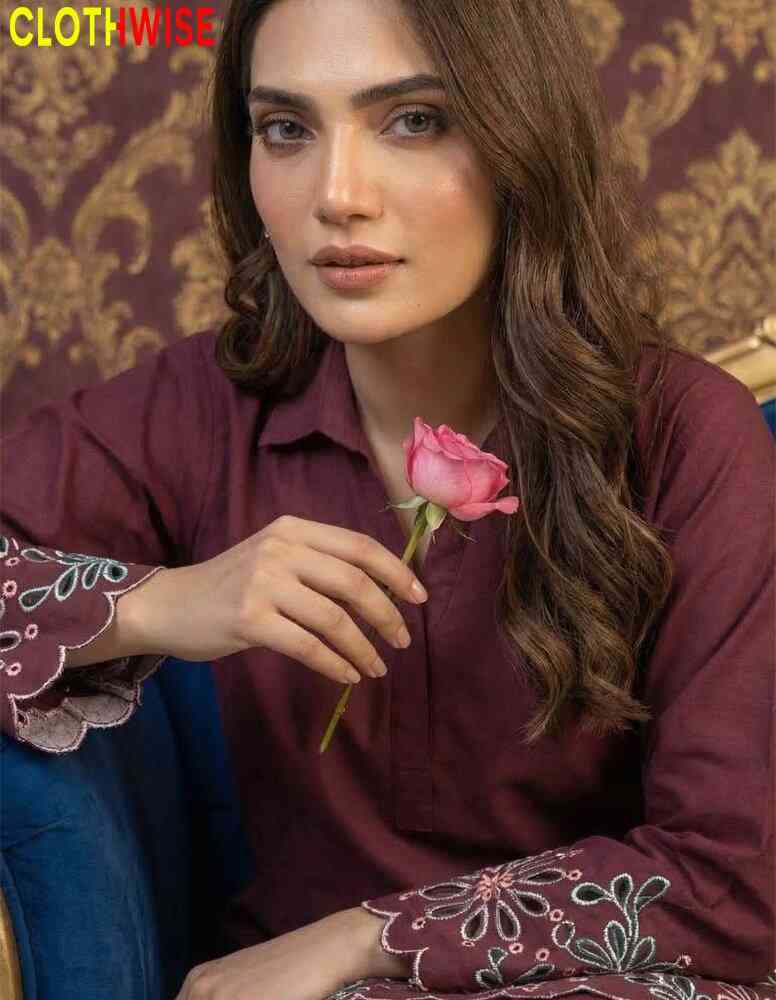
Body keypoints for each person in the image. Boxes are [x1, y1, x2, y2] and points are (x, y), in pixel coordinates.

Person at [1, 0, 773, 997]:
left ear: (518, 140)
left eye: (412, 120)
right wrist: (152, 603)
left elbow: (730, 881)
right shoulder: (200, 410)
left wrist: (364, 940)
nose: (337, 195)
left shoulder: (682, 434)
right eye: (285, 128)